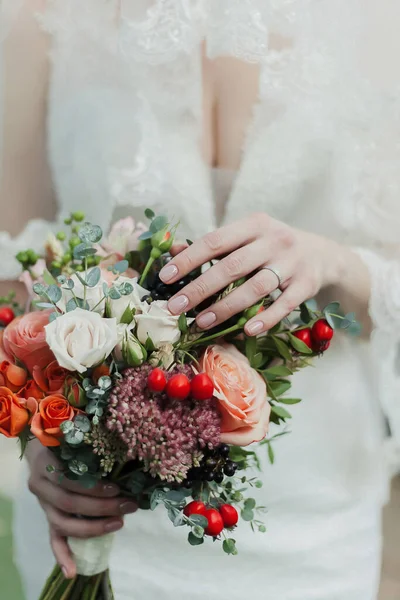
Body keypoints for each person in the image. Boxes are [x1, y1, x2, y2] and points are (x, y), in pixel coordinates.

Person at [1, 1, 400, 599]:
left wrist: (334, 262)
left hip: (310, 518)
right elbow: (13, 272)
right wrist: (40, 432)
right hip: (98, 506)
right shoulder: (44, 15)